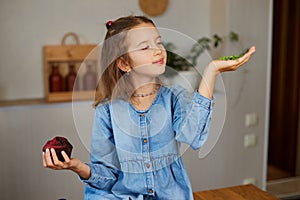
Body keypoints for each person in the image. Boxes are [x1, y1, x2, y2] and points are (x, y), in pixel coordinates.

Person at [42, 15, 256, 200]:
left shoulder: (175, 97)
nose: (158, 51)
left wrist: (211, 71)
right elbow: (107, 176)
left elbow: (194, 137)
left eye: (159, 42)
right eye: (145, 47)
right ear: (124, 63)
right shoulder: (107, 111)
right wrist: (77, 166)